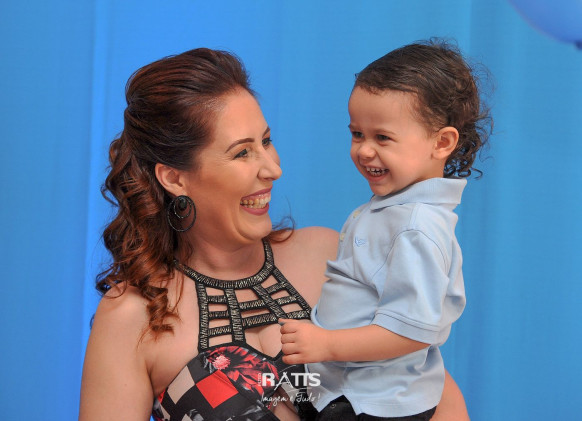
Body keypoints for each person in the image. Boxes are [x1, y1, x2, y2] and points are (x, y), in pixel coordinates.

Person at [79, 47, 471, 421]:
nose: (272, 169)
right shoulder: (131, 317)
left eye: (266, 141)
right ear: (174, 178)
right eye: (242, 152)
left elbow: (428, 395)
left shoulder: (328, 254)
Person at [280, 39, 491, 420]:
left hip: (372, 402)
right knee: (263, 383)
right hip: (343, 382)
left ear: (441, 142)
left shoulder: (415, 228)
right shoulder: (395, 209)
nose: (364, 150)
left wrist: (326, 344)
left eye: (382, 137)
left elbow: (411, 331)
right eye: (357, 134)